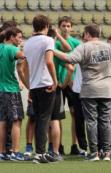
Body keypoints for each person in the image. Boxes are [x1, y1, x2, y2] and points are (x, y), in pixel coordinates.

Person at [53, 23, 111, 162]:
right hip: (106, 89)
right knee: (105, 121)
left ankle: (94, 152)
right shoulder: (109, 47)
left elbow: (68, 58)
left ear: (88, 34)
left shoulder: (83, 47)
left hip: (89, 89)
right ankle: (106, 152)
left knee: (91, 121)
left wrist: (51, 50)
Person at [20, 14, 60, 164]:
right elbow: (49, 62)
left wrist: (29, 85)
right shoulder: (48, 40)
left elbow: (21, 69)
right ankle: (40, 153)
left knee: (38, 119)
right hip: (46, 84)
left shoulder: (28, 42)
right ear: (46, 26)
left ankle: (40, 152)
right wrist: (55, 81)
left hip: (35, 85)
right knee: (45, 119)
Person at [0, 27, 27, 161]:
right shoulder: (13, 49)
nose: (20, 40)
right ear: (12, 37)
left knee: (2, 121)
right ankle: (15, 152)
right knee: (16, 120)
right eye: (19, 37)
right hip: (11, 88)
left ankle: (1, 152)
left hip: (0, 88)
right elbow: (24, 56)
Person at [54, 17, 82, 156]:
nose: (66, 28)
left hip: (71, 82)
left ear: (71, 28)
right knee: (57, 115)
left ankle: (74, 144)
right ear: (59, 27)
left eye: (68, 26)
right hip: (59, 82)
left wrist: (74, 78)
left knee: (74, 113)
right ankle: (58, 145)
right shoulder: (54, 42)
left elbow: (77, 61)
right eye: (63, 26)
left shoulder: (76, 43)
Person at [46, 28, 68, 160]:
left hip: (39, 86)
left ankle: (40, 151)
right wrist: (62, 84)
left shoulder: (37, 48)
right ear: (53, 39)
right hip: (54, 87)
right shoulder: (54, 53)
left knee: (41, 120)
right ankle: (55, 151)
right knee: (55, 121)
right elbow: (70, 67)